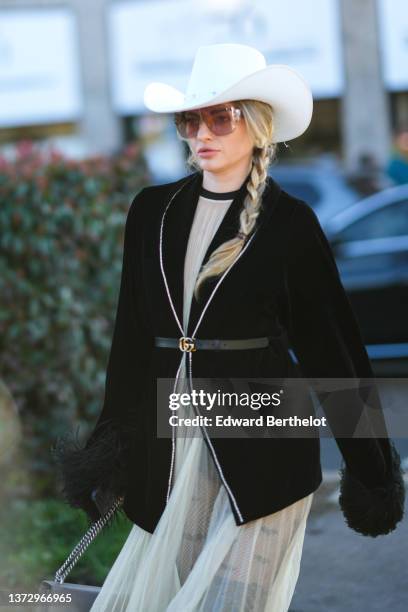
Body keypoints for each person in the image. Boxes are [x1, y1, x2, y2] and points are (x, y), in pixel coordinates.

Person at [53, 44, 405, 611]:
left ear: (259, 125)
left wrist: (372, 470)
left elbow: (333, 348)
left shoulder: (290, 222)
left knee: (235, 600)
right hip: (173, 445)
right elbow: (131, 342)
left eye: (222, 116)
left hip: (264, 438)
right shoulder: (151, 211)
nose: (202, 132)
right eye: (190, 119)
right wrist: (110, 448)